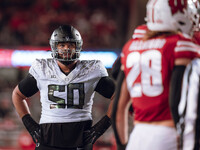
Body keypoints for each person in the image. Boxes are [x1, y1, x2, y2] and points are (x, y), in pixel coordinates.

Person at [111, 0, 200, 150]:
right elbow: (177, 100)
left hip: (137, 135)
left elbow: (118, 109)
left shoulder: (132, 45)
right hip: (169, 133)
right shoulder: (180, 44)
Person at [12, 25, 115, 150]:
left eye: (71, 45)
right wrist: (30, 125)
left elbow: (117, 96)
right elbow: (17, 95)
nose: (66, 49)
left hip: (80, 137)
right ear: (54, 47)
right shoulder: (43, 69)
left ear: (78, 47)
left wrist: (101, 127)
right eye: (62, 45)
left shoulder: (92, 70)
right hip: (48, 137)